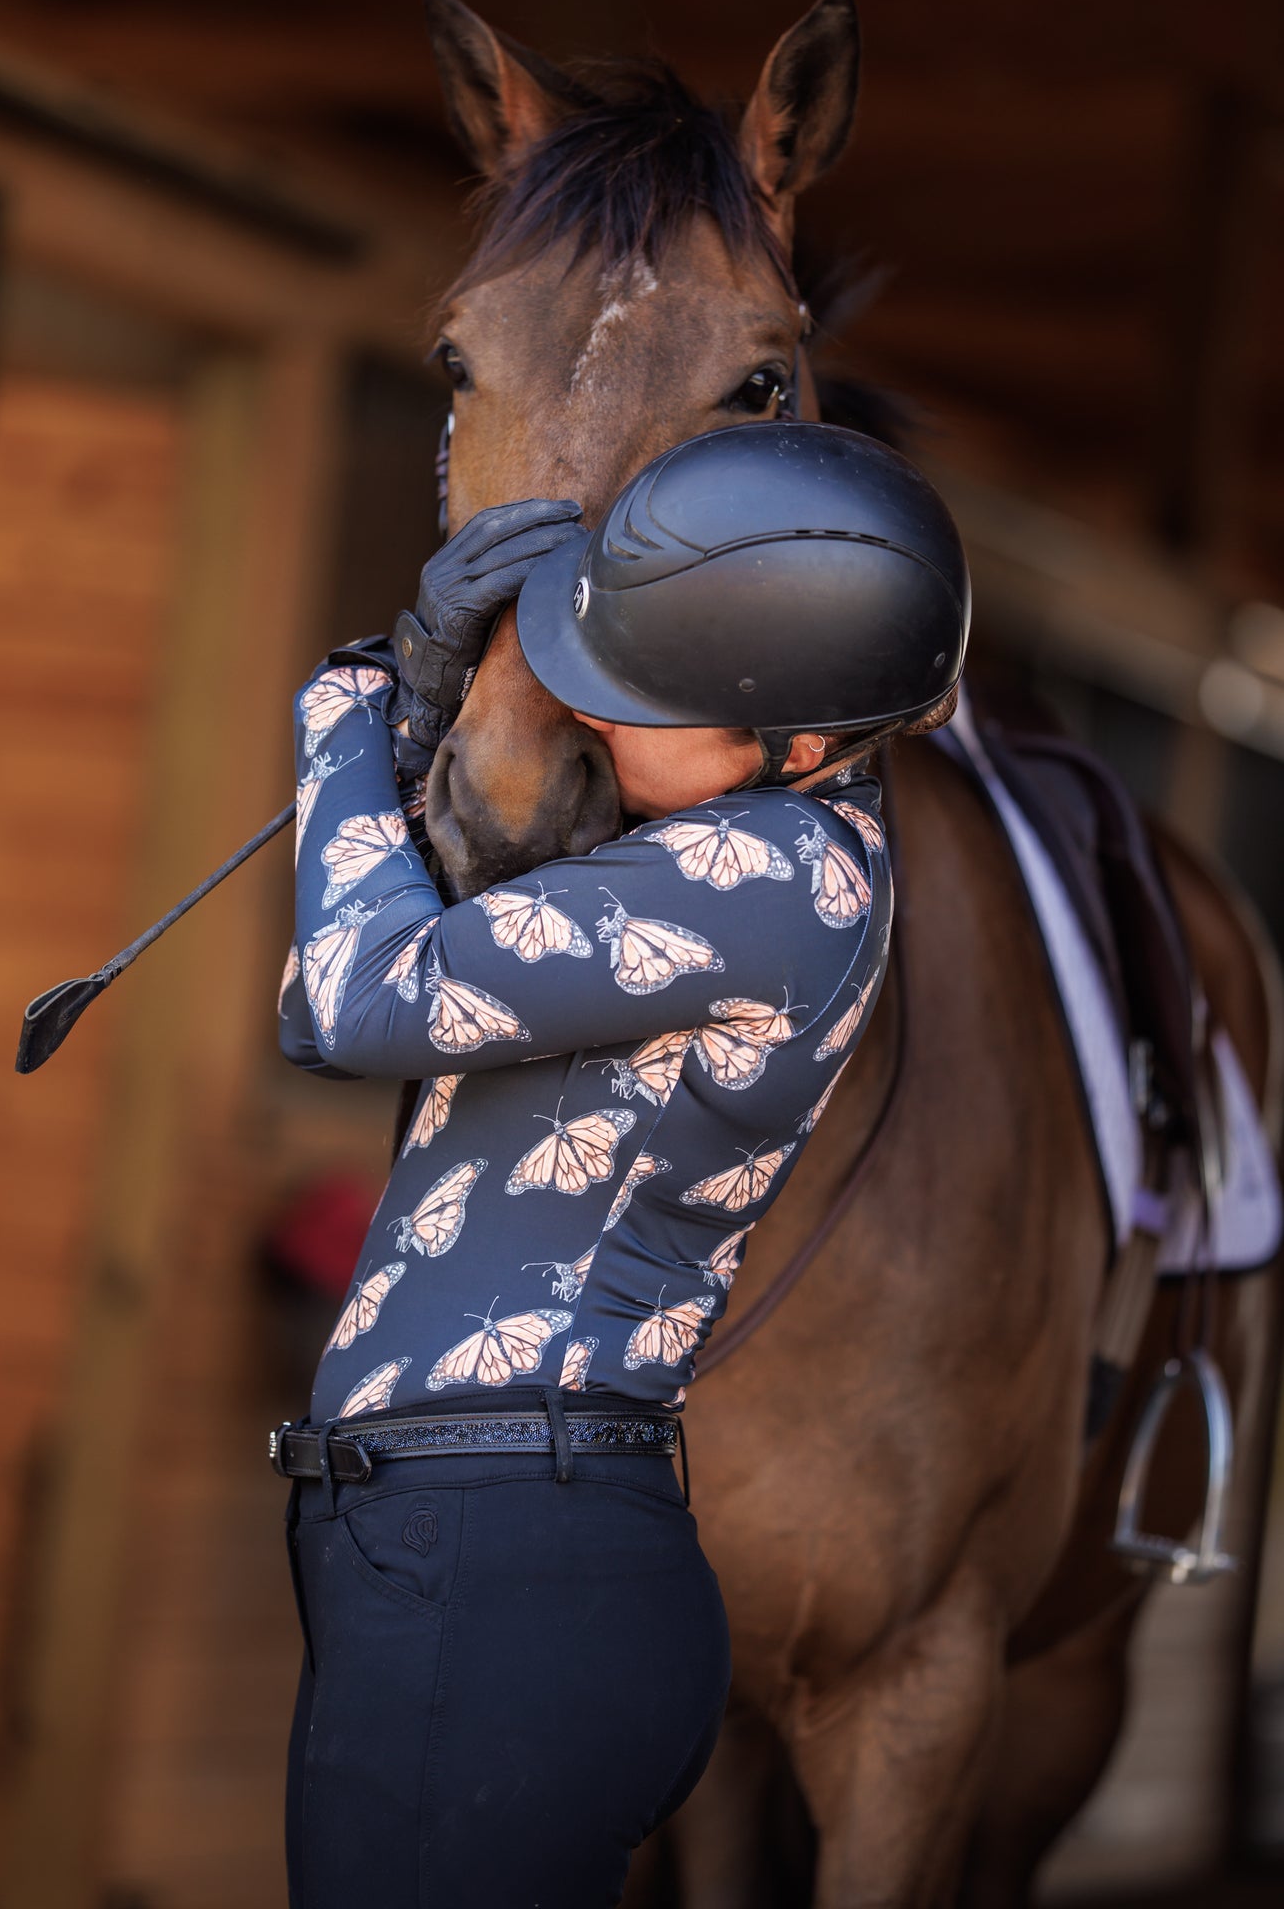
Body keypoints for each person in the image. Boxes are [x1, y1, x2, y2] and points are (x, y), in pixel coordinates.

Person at [274, 420, 969, 1909]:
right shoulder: (731, 854)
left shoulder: (770, 874)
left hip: (499, 1560)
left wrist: (354, 694)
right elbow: (367, 968)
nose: (597, 721)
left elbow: (354, 1002)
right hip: (473, 1552)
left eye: (647, 699)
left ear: (797, 740)